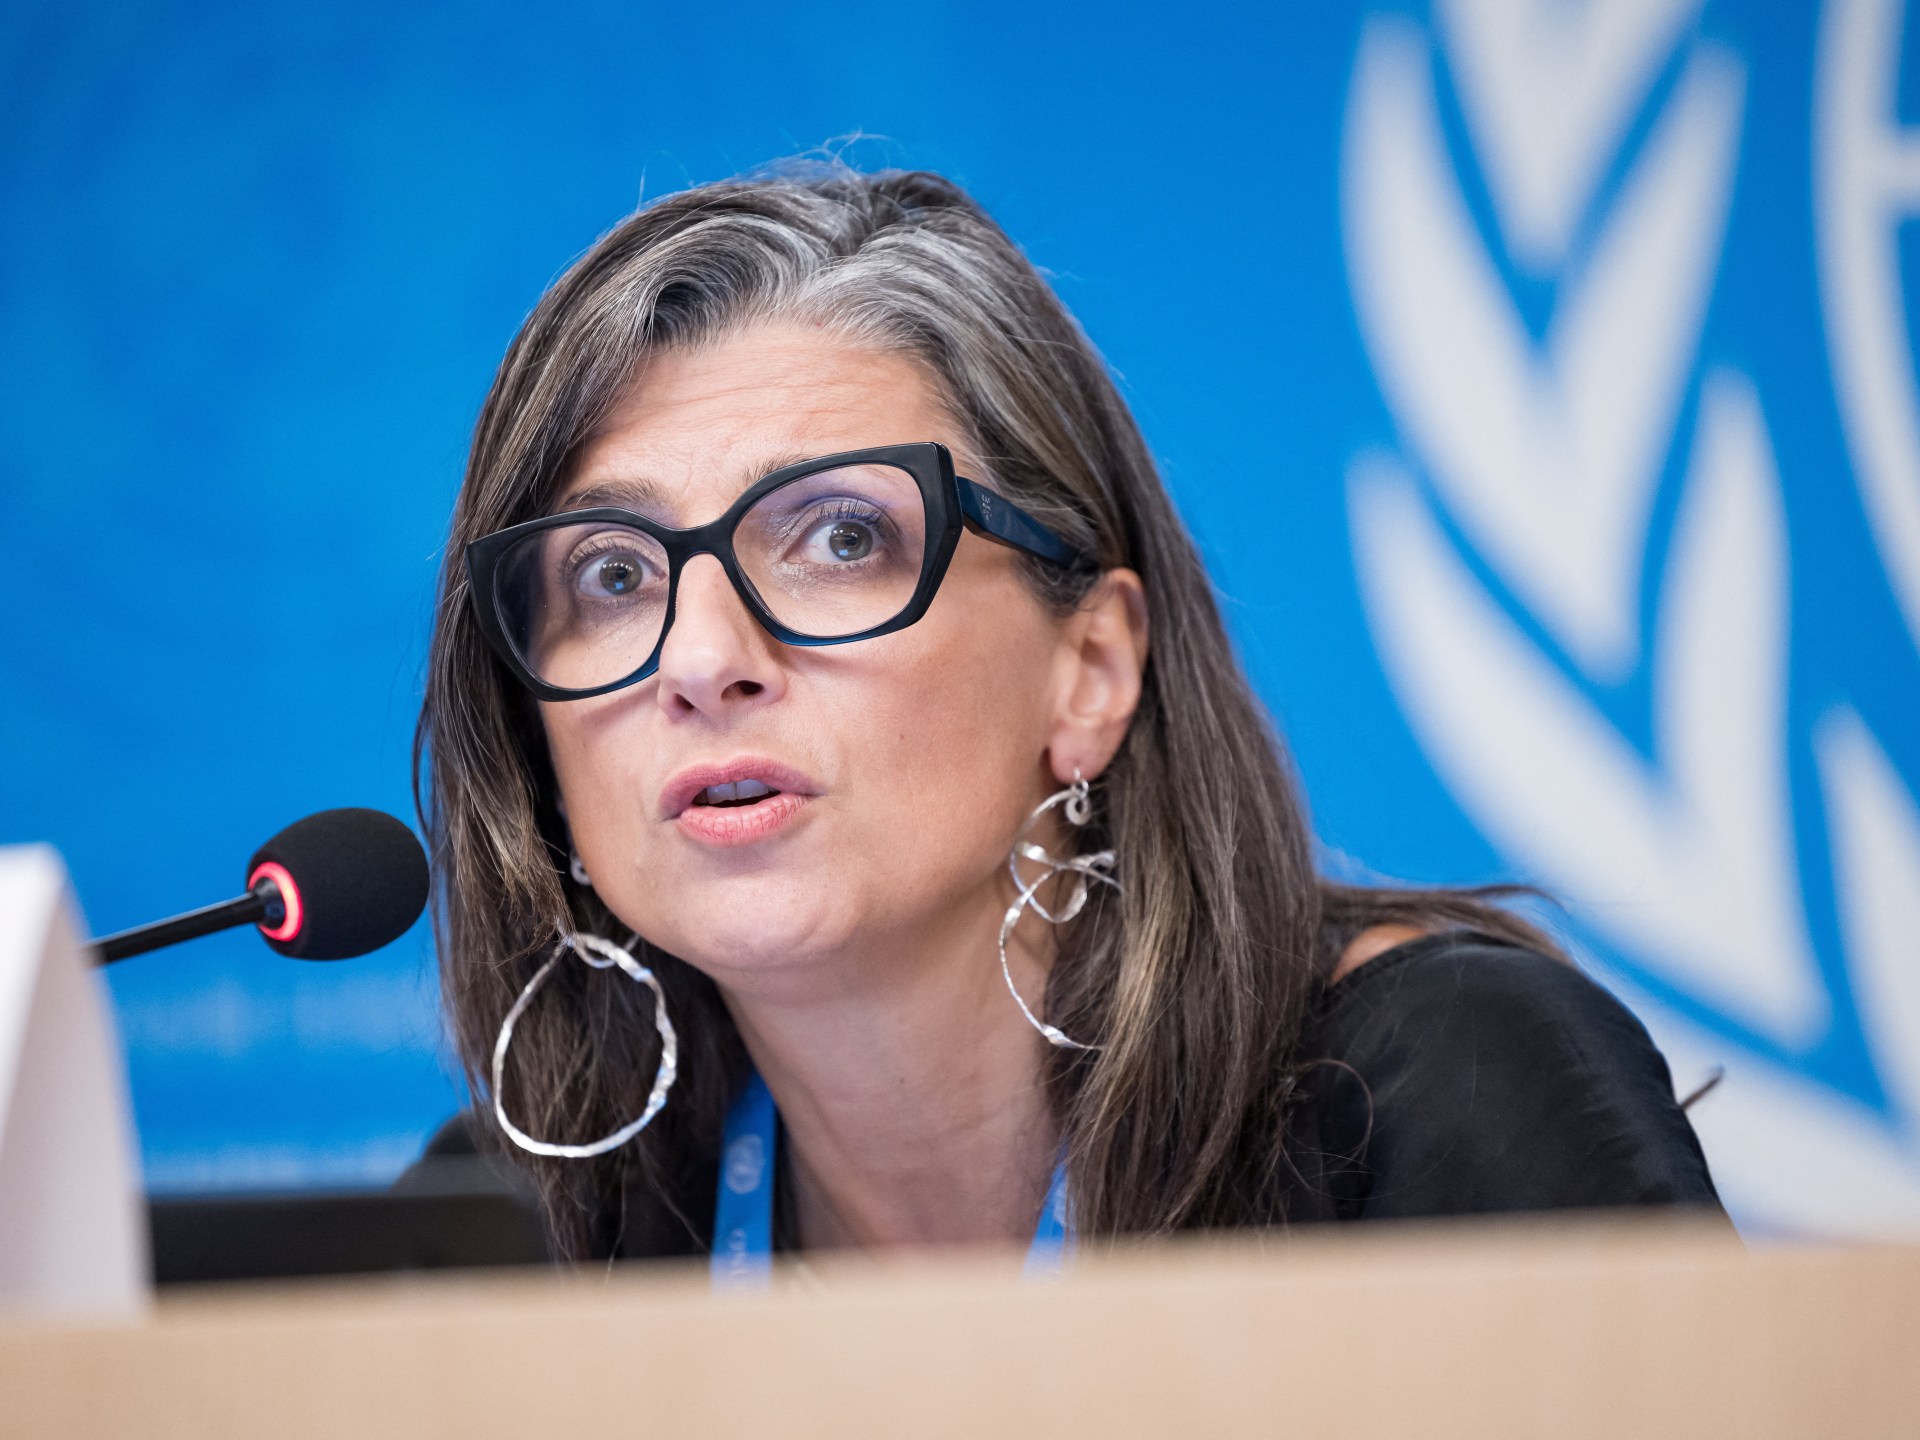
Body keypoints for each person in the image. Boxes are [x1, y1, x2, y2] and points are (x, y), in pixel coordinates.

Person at [413, 163, 1720, 1269]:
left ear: (1090, 668)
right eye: (612, 576)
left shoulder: (1435, 1096)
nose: (702, 659)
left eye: (843, 538)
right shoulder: (527, 1231)